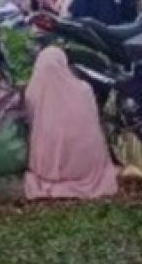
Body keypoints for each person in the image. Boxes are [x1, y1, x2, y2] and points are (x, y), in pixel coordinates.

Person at [24, 47, 119, 200]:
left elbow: (30, 125)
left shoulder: (32, 92)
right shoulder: (84, 90)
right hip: (86, 167)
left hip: (47, 169)